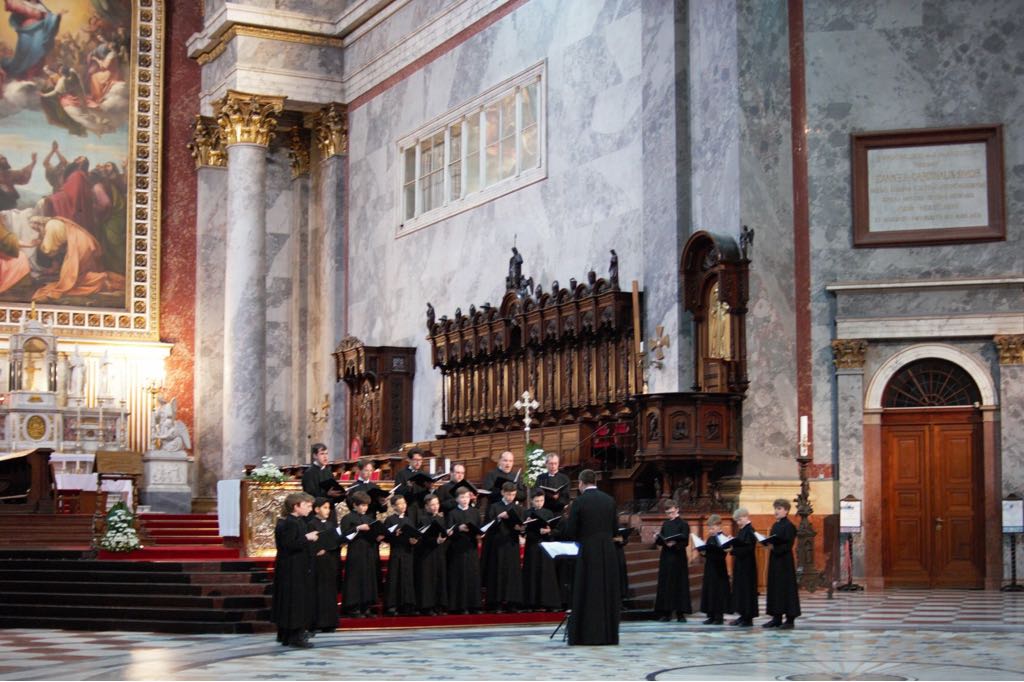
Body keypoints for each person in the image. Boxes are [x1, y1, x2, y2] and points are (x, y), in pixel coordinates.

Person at [563, 469, 620, 645]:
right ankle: (608, 635)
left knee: (587, 591)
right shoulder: (609, 500)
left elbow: (571, 532)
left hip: (588, 551)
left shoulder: (579, 502)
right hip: (607, 551)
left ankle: (586, 634)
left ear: (581, 483)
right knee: (605, 590)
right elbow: (615, 529)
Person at [271, 492, 318, 648]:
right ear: (296, 506)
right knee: (295, 601)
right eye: (307, 505)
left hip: (294, 566)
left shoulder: (296, 521)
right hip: (293, 567)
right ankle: (295, 636)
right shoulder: (291, 523)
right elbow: (288, 545)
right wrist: (307, 538)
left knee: (291, 600)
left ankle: (286, 634)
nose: (310, 509)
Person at [339, 490, 383, 618]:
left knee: (367, 577)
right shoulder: (347, 518)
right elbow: (343, 536)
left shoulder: (368, 518)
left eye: (366, 505)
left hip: (368, 550)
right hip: (355, 551)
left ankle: (366, 605)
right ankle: (353, 607)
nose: (365, 508)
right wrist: (357, 528)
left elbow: (374, 532)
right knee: (355, 578)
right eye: (362, 505)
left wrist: (378, 536)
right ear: (354, 505)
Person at [483, 481, 525, 612]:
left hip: (512, 543)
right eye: (508, 494)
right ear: (502, 492)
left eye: (513, 495)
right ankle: (497, 603)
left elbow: (522, 526)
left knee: (512, 573)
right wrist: (499, 518)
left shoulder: (518, 508)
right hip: (498, 544)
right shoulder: (494, 507)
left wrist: (521, 528)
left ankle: (512, 602)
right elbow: (487, 525)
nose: (510, 497)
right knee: (498, 572)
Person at [763, 498, 800, 629]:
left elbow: (788, 545)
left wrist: (774, 547)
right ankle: (776, 617)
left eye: (779, 509)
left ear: (786, 511)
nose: (776, 511)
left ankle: (790, 619)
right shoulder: (775, 525)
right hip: (775, 561)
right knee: (775, 588)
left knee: (786, 588)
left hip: (785, 562)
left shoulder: (789, 526)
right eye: (775, 509)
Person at [445, 484, 482, 614]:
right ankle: (459, 605)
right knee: (459, 576)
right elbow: (448, 532)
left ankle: (474, 605)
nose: (465, 499)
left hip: (471, 548)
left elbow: (480, 527)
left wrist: (480, 534)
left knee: (472, 575)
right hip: (458, 549)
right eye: (462, 497)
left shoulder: (475, 512)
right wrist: (458, 528)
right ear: (457, 499)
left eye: (467, 497)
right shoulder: (452, 513)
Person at [522, 488, 561, 612]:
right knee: (532, 572)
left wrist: (549, 531)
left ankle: (548, 602)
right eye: (537, 501)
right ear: (532, 501)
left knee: (546, 573)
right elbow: (523, 531)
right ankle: (531, 603)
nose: (539, 503)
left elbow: (556, 529)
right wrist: (526, 526)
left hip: (546, 545)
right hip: (532, 545)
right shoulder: (527, 513)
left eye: (542, 500)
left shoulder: (549, 512)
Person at [653, 501, 691, 622]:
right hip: (666, 557)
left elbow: (685, 542)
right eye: (668, 513)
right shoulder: (665, 524)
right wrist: (658, 538)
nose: (670, 515)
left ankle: (680, 613)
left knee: (679, 584)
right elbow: (661, 541)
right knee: (666, 584)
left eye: (672, 512)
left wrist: (675, 544)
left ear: (677, 509)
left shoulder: (684, 524)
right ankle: (666, 613)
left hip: (678, 557)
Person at [307, 497, 341, 632]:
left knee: (330, 592)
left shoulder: (331, 525)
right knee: (318, 591)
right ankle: (316, 623)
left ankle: (330, 623)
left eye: (329, 508)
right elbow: (310, 543)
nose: (328, 510)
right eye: (325, 508)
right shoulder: (311, 524)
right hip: (318, 562)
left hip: (330, 560)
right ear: (316, 509)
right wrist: (317, 549)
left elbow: (335, 540)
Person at [383, 495, 418, 616]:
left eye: (404, 503)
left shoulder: (409, 520)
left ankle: (407, 605)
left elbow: (414, 535)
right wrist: (394, 534)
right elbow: (385, 537)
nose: (403, 506)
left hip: (407, 552)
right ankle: (392, 605)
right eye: (399, 504)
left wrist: (414, 541)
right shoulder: (390, 519)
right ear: (393, 506)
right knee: (395, 577)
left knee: (407, 578)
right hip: (396, 552)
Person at [414, 493, 448, 615]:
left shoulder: (441, 519)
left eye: (437, 504)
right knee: (427, 580)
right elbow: (419, 539)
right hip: (426, 554)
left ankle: (439, 605)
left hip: (439, 553)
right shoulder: (422, 519)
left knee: (439, 578)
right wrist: (435, 541)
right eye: (432, 505)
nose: (435, 507)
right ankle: (427, 606)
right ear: (426, 506)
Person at [699, 514, 731, 625]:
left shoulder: (723, 538)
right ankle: (711, 615)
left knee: (718, 592)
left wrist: (710, 553)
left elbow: (722, 555)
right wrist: (703, 552)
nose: (710, 530)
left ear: (718, 526)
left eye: (712, 528)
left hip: (719, 569)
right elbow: (707, 553)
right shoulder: (710, 538)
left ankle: (719, 616)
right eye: (709, 528)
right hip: (710, 568)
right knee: (710, 591)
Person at [729, 507, 758, 627]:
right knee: (740, 590)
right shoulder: (743, 530)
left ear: (746, 517)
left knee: (747, 590)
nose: (738, 522)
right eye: (737, 520)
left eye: (739, 519)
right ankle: (742, 615)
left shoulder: (750, 530)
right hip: (741, 564)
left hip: (747, 566)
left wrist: (733, 549)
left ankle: (748, 618)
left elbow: (748, 548)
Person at [301, 444, 342, 512]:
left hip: (330, 509)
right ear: (315, 456)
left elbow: (333, 490)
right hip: (316, 511)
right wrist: (327, 494)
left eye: (326, 453)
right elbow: (309, 495)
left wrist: (340, 493)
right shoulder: (309, 473)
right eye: (322, 454)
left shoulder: (328, 472)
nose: (325, 456)